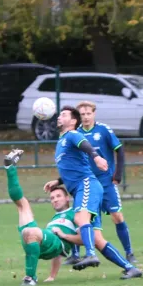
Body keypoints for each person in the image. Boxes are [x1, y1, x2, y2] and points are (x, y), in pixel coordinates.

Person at [61, 101, 136, 265]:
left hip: (106, 181)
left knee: (117, 216)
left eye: (89, 114)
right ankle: (76, 254)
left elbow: (119, 149)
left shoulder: (103, 130)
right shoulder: (75, 133)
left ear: (94, 114)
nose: (86, 117)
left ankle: (129, 252)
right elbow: (71, 162)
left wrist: (118, 174)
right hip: (85, 182)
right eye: (82, 114)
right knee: (81, 218)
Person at [3, 149, 77, 286]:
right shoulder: (55, 218)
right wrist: (52, 276)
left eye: (58, 196)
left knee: (30, 232)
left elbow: (84, 238)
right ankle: (10, 168)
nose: (54, 200)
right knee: (22, 205)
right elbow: (57, 256)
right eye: (52, 198)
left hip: (55, 243)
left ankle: (30, 278)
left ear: (67, 198)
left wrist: (64, 235)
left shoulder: (75, 213)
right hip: (46, 240)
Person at [46, 106, 108, 271]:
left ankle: (90, 254)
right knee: (98, 239)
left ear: (73, 121)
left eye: (64, 114)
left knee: (81, 220)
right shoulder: (62, 141)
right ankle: (130, 268)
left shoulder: (73, 134)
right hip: (82, 187)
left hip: (86, 184)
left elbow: (86, 145)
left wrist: (96, 157)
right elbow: (74, 167)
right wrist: (58, 181)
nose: (59, 116)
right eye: (59, 114)